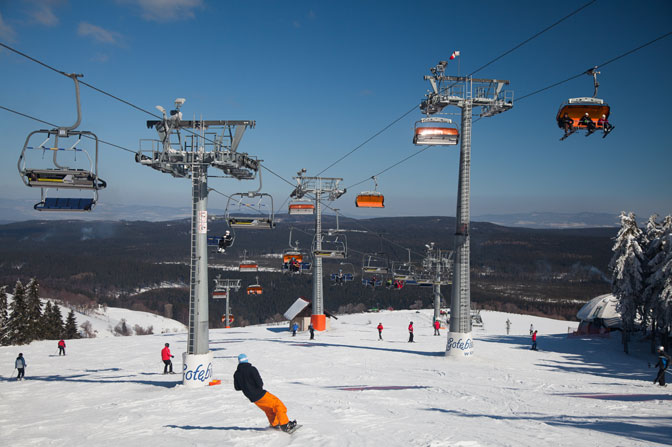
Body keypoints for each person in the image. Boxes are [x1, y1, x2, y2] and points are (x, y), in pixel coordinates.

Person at [233, 354, 298, 433]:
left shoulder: (236, 373)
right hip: (260, 393)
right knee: (279, 405)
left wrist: (246, 386)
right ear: (246, 360)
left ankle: (275, 423)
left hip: (252, 398)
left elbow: (237, 388)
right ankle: (285, 425)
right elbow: (260, 383)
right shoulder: (251, 369)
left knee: (269, 410)